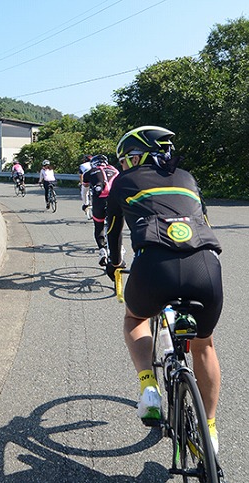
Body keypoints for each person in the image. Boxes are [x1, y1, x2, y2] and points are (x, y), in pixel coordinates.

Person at [105, 126, 223, 452]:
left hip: (154, 267)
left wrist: (114, 264)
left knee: (135, 319)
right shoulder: (187, 178)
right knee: (204, 345)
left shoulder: (123, 183)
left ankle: (148, 389)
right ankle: (209, 430)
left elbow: (112, 231)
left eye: (127, 158)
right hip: (206, 266)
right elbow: (204, 222)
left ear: (137, 155)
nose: (125, 166)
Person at [82, 154, 119, 265]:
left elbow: (84, 191)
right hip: (115, 201)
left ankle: (102, 250)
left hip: (99, 201)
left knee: (99, 226)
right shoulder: (115, 170)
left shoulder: (89, 172)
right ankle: (120, 249)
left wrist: (85, 204)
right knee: (116, 226)